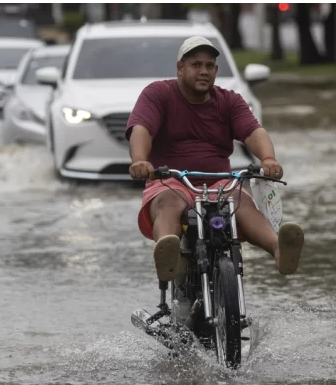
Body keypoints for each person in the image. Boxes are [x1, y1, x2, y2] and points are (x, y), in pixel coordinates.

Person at [126, 36, 305, 282]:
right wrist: (139, 160)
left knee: (240, 200)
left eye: (209, 66)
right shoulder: (158, 94)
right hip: (172, 182)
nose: (204, 71)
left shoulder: (230, 101)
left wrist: (268, 158)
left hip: (219, 183)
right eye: (196, 65)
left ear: (216, 71)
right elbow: (141, 129)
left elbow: (254, 132)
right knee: (168, 202)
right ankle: (170, 255)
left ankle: (278, 249)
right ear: (180, 68)